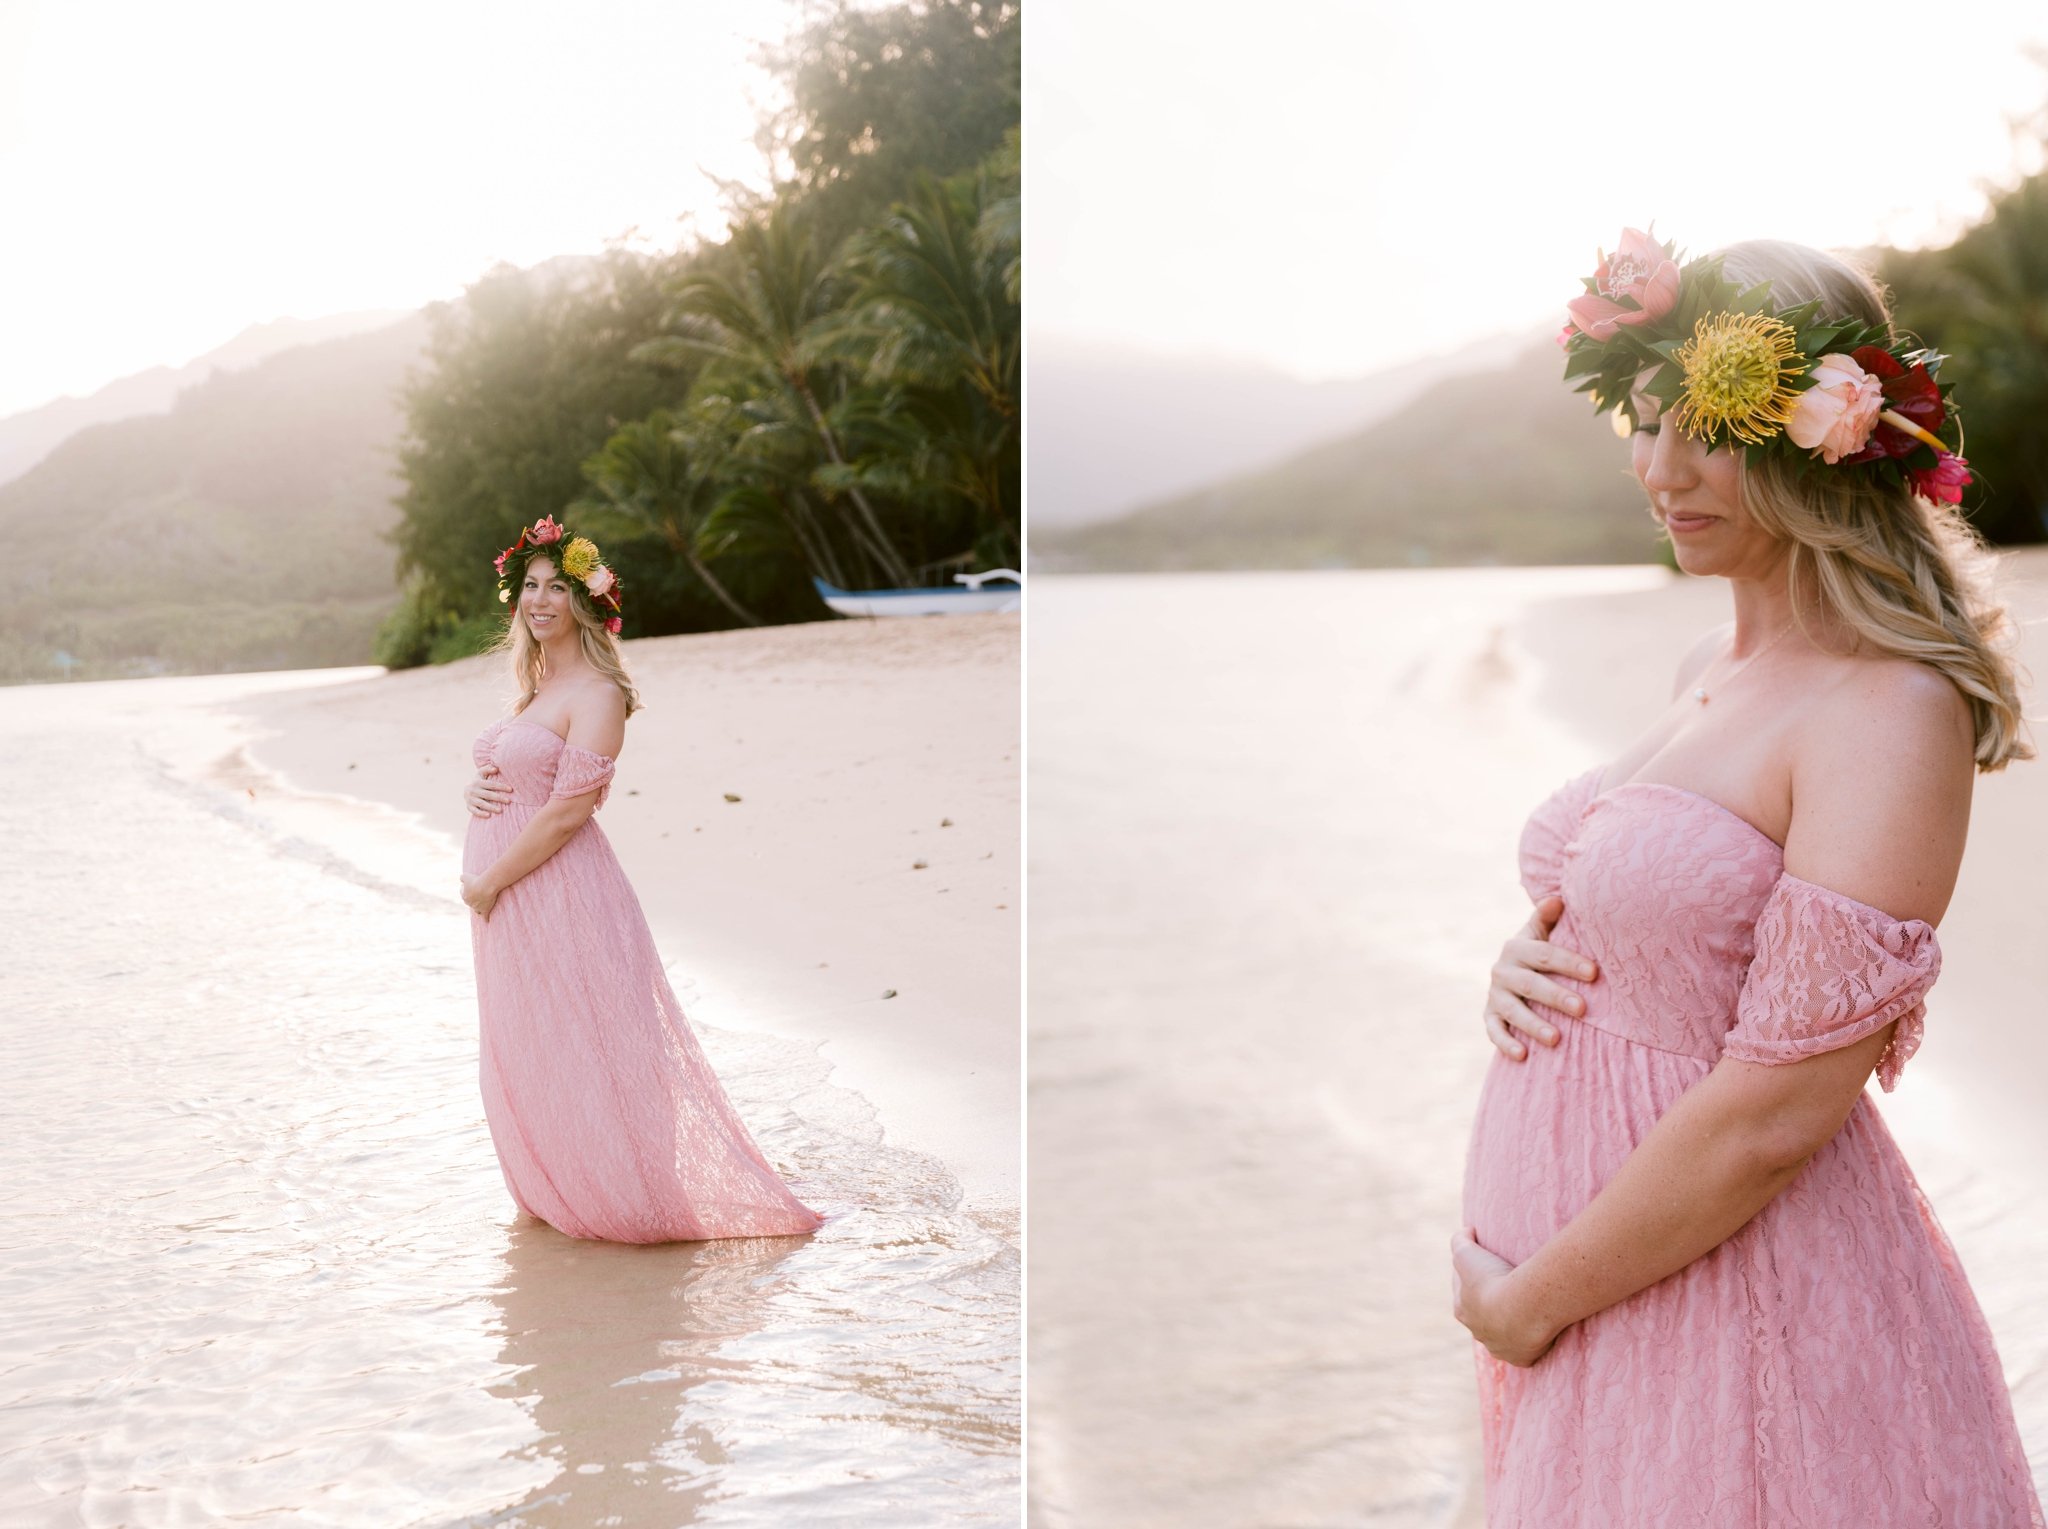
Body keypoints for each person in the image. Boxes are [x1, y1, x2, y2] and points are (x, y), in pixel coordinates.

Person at [1452, 232, 2044, 1522]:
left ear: (1826, 441)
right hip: (1620, 1305)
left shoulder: (1885, 710)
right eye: (1645, 420)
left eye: (1709, 428)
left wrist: (1523, 1300)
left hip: (1738, 1316)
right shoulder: (1700, 674)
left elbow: (1779, 1112)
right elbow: (1659, 927)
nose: (1660, 471)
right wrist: (1521, 962)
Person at [458, 514, 822, 1243]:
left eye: (557, 587)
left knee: (588, 1042)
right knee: (533, 1043)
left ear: (585, 600)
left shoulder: (597, 692)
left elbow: (567, 813)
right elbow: (519, 775)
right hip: (509, 896)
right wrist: (478, 790)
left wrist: (488, 880)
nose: (540, 600)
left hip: (555, 891)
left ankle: (619, 1194)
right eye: (530, 586)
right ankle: (558, 1187)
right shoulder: (536, 687)